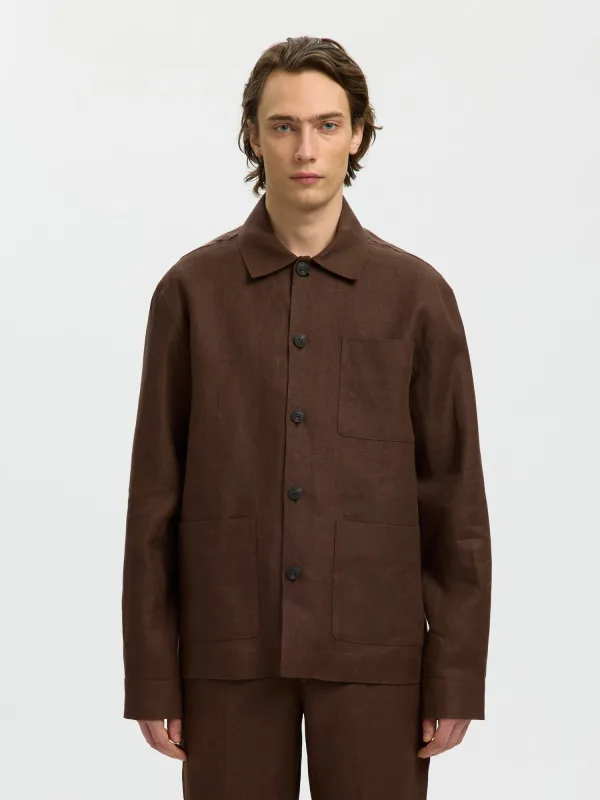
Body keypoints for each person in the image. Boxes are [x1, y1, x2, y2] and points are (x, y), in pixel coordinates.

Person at [121, 35, 492, 800]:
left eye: (327, 124)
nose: (305, 149)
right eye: (284, 126)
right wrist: (152, 672)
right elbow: (154, 496)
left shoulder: (417, 298)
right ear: (253, 136)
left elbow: (455, 503)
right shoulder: (190, 293)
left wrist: (455, 676)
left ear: (358, 134)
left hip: (377, 651)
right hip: (227, 650)